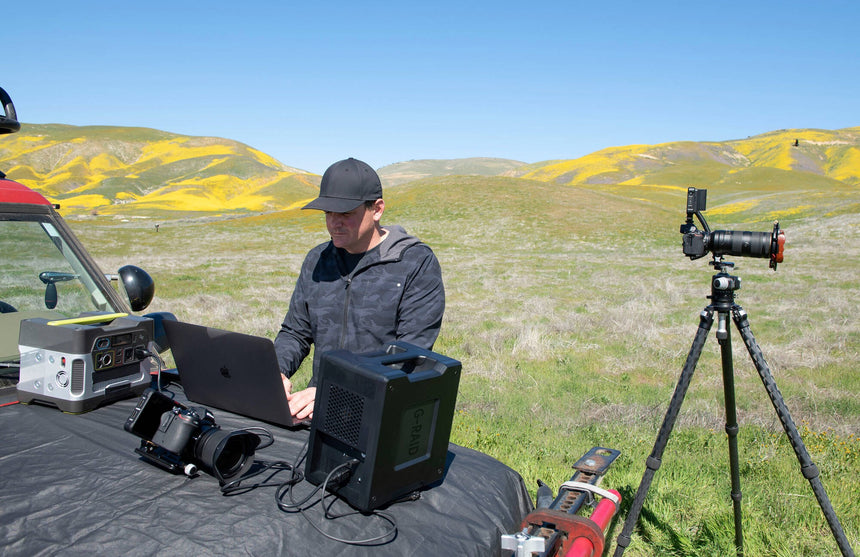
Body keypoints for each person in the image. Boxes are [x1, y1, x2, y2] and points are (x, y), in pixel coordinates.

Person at [274, 157, 445, 420]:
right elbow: (295, 332)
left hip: (383, 413)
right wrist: (275, 371)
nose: (334, 223)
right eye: (328, 213)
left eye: (345, 213)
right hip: (318, 409)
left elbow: (410, 353)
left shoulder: (415, 263)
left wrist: (334, 389)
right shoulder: (317, 260)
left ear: (377, 209)